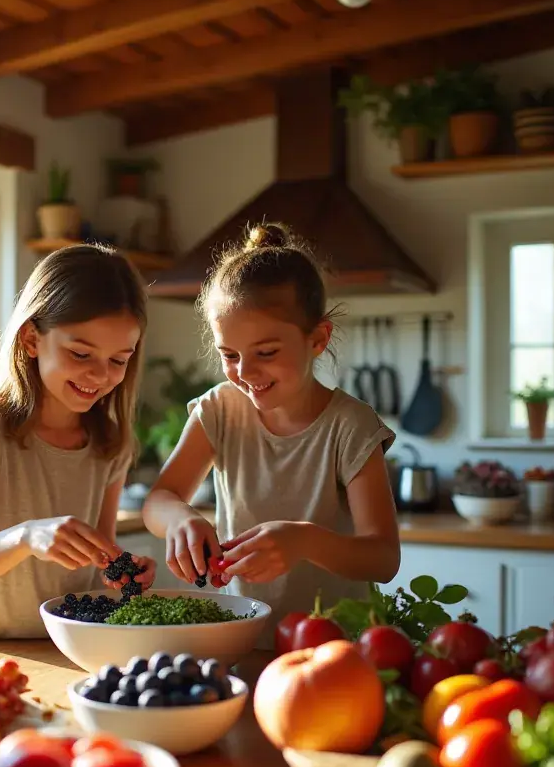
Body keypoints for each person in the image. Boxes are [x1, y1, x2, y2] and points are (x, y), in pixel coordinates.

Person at [142, 222, 400, 631]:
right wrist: (180, 519)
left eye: (266, 352)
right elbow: (159, 499)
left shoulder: (351, 425)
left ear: (317, 339)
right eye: (229, 354)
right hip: (245, 636)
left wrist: (303, 541)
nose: (245, 371)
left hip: (335, 644)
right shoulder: (219, 409)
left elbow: (383, 558)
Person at [0, 244, 157, 645]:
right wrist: (26, 537)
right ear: (30, 339)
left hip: (74, 648)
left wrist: (123, 570)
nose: (100, 374)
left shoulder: (111, 442)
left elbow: (99, 555)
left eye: (119, 359)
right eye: (81, 353)